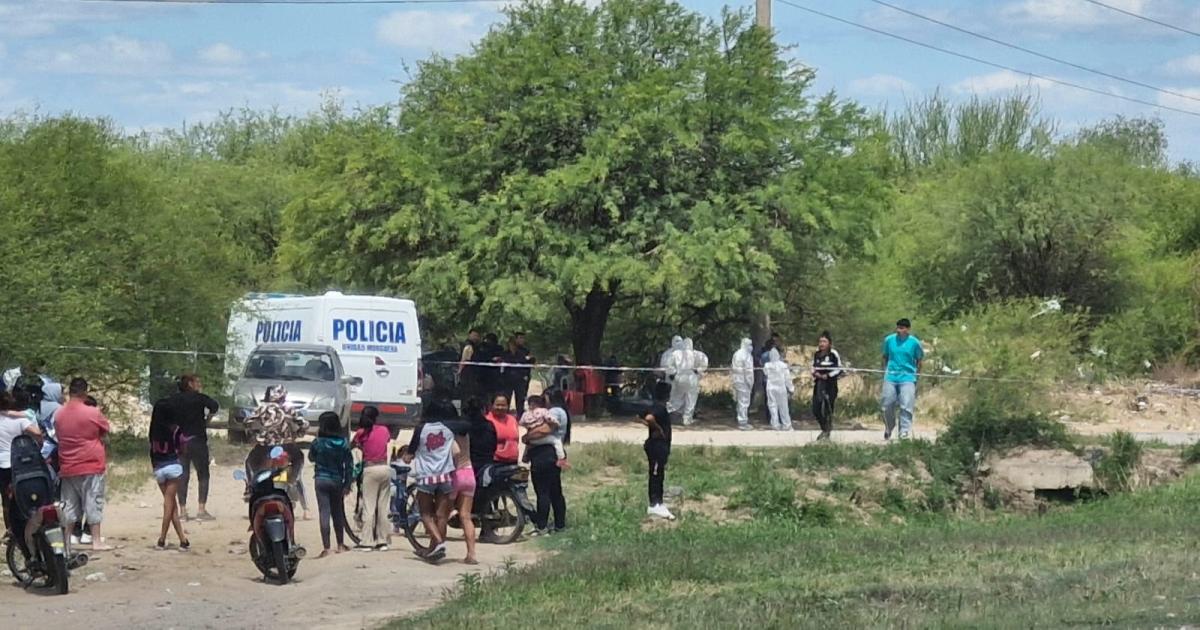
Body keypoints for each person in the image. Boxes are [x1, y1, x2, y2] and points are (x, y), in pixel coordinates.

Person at [55, 378, 113, 552]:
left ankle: (66, 543)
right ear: (85, 392)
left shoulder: (59, 414)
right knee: (93, 501)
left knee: (69, 505)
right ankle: (96, 541)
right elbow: (105, 430)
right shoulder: (92, 412)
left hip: (67, 464)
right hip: (91, 463)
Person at [403, 401, 458, 564]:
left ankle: (439, 543)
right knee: (441, 516)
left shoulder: (421, 429)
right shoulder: (448, 429)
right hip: (445, 476)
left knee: (425, 514)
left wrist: (407, 457)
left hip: (427, 476)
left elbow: (410, 453)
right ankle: (433, 549)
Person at [243, 385, 310, 517]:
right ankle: (306, 509)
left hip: (264, 448)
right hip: (288, 447)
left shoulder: (261, 409)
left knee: (250, 464)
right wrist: (297, 434)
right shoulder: (288, 409)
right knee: (296, 475)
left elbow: (247, 423)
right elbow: (304, 425)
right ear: (283, 396)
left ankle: (250, 489)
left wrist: (256, 435)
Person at [168, 374, 220, 521]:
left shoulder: (174, 399)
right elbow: (215, 406)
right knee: (203, 475)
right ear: (190, 384)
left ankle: (183, 511)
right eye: (197, 382)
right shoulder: (200, 398)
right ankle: (201, 510)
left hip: (180, 441)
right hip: (197, 440)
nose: (199, 384)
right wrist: (207, 420)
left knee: (183, 475)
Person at [309, 411, 354, 558]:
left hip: (321, 479)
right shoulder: (343, 443)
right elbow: (349, 465)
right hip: (337, 480)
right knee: (337, 512)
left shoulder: (317, 443)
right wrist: (347, 483)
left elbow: (311, 457)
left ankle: (326, 547)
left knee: (324, 512)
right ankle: (340, 544)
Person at [439, 399, 478, 565]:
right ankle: (471, 554)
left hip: (454, 475)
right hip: (469, 473)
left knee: (442, 515)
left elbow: (453, 452)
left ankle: (438, 548)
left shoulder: (447, 432)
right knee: (466, 516)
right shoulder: (465, 432)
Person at [148, 395, 189, 550]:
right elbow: (183, 448)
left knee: (171, 506)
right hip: (173, 466)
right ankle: (162, 539)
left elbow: (151, 451)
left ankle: (183, 540)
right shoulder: (176, 430)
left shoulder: (153, 431)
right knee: (169, 505)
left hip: (159, 468)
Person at [525, 394, 569, 535]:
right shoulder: (559, 412)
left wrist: (527, 437)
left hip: (542, 456)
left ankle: (542, 526)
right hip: (551, 455)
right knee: (555, 492)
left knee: (543, 492)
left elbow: (545, 430)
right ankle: (559, 524)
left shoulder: (550, 413)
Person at [0, 391, 42, 534]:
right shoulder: (20, 420)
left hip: (2, 464)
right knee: (23, 495)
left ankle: (10, 530)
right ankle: (27, 527)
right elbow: (37, 433)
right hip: (18, 464)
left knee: (6, 499)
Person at [351, 405, 391, 551]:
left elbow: (352, 446)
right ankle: (382, 541)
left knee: (369, 507)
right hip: (385, 468)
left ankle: (367, 541)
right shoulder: (384, 430)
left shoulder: (361, 433)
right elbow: (385, 442)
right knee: (383, 507)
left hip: (370, 469)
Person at [881, 318, 924, 440]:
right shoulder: (889, 340)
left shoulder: (914, 343)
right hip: (891, 376)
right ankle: (889, 427)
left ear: (908, 329)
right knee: (886, 404)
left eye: (902, 328)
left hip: (908, 377)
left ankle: (904, 432)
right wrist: (884, 371)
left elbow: (919, 360)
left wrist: (916, 376)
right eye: (898, 327)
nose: (899, 330)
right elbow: (885, 356)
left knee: (906, 404)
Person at [642, 381, 674, 520]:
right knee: (656, 475)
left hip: (657, 446)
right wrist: (658, 429)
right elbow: (649, 418)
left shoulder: (653, 406)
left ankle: (658, 503)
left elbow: (640, 417)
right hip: (657, 447)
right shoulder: (660, 408)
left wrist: (652, 427)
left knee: (658, 474)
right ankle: (655, 504)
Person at [811, 331, 843, 441]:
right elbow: (813, 366)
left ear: (829, 343)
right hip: (819, 383)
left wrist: (828, 375)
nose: (822, 344)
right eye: (820, 341)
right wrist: (815, 373)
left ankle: (827, 432)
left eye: (824, 341)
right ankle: (824, 428)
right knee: (816, 408)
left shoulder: (833, 354)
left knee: (828, 408)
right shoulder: (816, 354)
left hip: (830, 384)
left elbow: (839, 368)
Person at [519, 395, 568, 467]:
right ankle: (561, 458)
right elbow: (549, 420)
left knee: (529, 445)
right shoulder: (543, 411)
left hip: (532, 441)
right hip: (542, 441)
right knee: (556, 441)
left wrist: (529, 429)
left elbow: (521, 423)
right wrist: (556, 423)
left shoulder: (525, 414)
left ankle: (526, 457)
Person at [502, 333, 534, 415]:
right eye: (511, 345)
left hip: (519, 379)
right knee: (507, 397)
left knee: (520, 398)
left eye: (514, 345)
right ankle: (505, 413)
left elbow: (526, 365)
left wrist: (525, 375)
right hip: (507, 379)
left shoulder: (521, 354)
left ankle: (520, 415)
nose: (513, 346)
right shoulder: (505, 353)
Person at [764, 349, 795, 431]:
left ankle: (775, 424)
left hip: (771, 388)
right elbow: (787, 378)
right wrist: (791, 388)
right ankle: (787, 424)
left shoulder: (767, 365)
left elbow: (765, 373)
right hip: (781, 387)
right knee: (783, 406)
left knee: (772, 406)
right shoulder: (783, 365)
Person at [731, 338, 756, 431]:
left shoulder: (736, 353)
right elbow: (749, 371)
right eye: (750, 344)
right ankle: (743, 422)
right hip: (744, 381)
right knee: (744, 402)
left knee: (739, 401)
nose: (751, 347)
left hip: (736, 380)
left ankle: (740, 419)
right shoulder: (747, 355)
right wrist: (750, 383)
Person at [478, 333, 506, 403]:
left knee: (493, 394)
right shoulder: (482, 347)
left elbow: (501, 358)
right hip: (483, 375)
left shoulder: (499, 348)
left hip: (495, 376)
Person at [457, 329, 482, 401]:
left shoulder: (476, 346)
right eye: (474, 335)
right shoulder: (468, 346)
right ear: (469, 335)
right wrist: (460, 371)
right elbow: (464, 360)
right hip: (468, 373)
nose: (475, 337)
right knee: (467, 394)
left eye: (477, 336)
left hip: (473, 373)